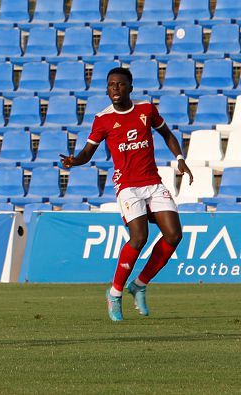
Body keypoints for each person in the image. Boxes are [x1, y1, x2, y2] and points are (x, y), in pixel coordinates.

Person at [60, 67, 194, 321]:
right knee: (139, 237)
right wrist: (75, 161)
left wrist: (179, 158)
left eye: (120, 84)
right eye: (111, 85)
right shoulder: (103, 119)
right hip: (127, 186)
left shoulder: (146, 110)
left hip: (152, 182)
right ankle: (115, 292)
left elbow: (167, 134)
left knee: (174, 235)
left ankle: (140, 284)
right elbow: (88, 152)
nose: (115, 89)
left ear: (130, 87)